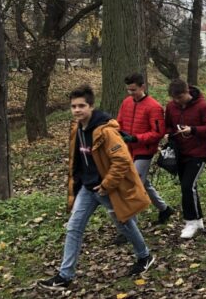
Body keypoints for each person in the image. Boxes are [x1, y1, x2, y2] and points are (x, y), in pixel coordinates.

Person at [38, 85, 154, 290]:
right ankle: (65, 276)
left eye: (81, 106)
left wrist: (107, 184)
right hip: (87, 188)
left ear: (91, 106)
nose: (77, 110)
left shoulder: (106, 131)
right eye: (73, 106)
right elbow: (77, 158)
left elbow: (122, 160)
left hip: (106, 189)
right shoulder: (77, 128)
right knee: (74, 227)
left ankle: (144, 256)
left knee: (124, 224)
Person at [116, 73, 174, 229]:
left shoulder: (153, 106)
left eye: (133, 89)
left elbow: (157, 133)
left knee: (132, 187)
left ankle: (129, 228)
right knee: (143, 183)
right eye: (128, 90)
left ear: (143, 87)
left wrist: (136, 138)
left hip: (144, 150)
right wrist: (117, 133)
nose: (131, 93)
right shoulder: (126, 102)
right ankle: (165, 209)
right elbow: (119, 122)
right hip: (127, 150)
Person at [164, 79, 206, 239]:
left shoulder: (204, 106)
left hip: (198, 153)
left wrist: (193, 130)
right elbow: (168, 125)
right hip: (180, 152)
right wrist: (167, 134)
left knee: (188, 186)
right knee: (187, 187)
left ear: (187, 92)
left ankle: (191, 221)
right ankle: (198, 219)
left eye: (180, 97)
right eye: (174, 98)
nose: (177, 101)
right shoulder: (171, 106)